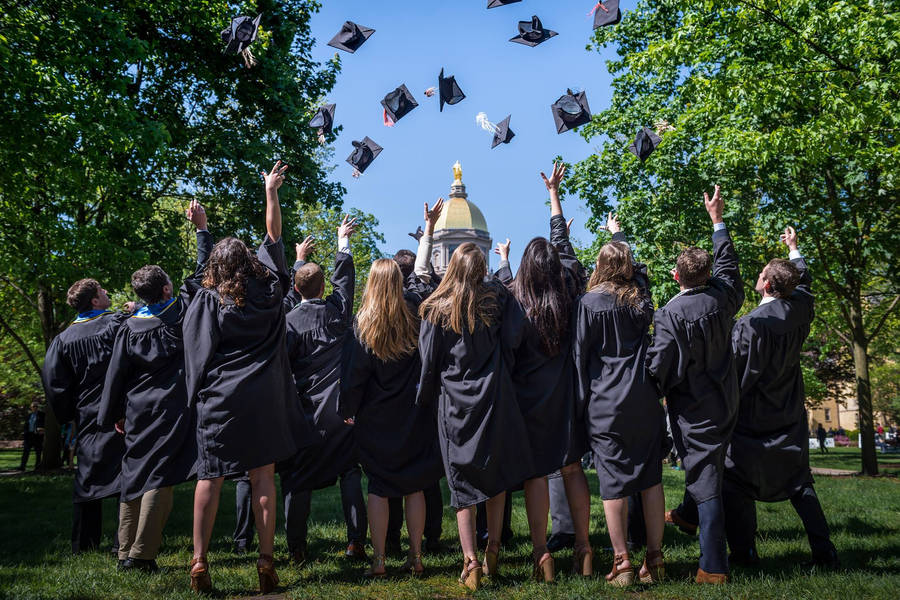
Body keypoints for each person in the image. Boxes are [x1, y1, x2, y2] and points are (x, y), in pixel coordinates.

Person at [183, 161, 314, 594]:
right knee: (262, 479)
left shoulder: (208, 299)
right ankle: (265, 561)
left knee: (210, 477)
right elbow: (274, 236)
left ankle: (200, 561)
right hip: (265, 397)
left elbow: (197, 350)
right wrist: (269, 190)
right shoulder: (273, 289)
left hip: (220, 398)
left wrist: (194, 395)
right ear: (250, 263)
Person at [491, 162, 594, 582]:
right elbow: (564, 247)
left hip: (529, 398)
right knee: (572, 469)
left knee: (536, 474)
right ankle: (586, 551)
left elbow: (509, 351)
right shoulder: (570, 286)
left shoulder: (515, 301)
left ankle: (542, 557)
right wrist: (554, 195)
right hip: (566, 394)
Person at [97, 200, 212, 572]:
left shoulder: (129, 328)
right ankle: (141, 555)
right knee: (158, 477)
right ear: (165, 289)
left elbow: (115, 374)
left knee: (133, 474)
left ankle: (123, 550)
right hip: (171, 408)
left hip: (136, 410)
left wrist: (115, 413)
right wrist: (201, 229)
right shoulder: (178, 315)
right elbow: (202, 273)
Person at [417, 243, 534, 591]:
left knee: (462, 482)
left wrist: (424, 398)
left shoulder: (438, 306)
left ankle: (470, 561)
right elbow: (515, 336)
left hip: (455, 401)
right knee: (494, 475)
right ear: (482, 266)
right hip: (495, 393)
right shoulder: (497, 297)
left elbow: (428, 361)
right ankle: (493, 549)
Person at [339, 200, 446, 577]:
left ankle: (380, 560)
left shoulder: (362, 325)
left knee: (380, 488)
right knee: (416, 486)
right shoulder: (415, 310)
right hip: (414, 412)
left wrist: (347, 410)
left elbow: (353, 376)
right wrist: (428, 229)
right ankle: (416, 558)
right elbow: (421, 275)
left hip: (377, 418)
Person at [724, 226, 839, 569]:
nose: (758, 278)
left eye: (761, 275)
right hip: (789, 408)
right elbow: (804, 285)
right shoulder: (800, 311)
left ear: (768, 285)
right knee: (800, 482)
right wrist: (794, 249)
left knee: (735, 482)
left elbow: (738, 373)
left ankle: (744, 555)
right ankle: (825, 552)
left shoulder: (749, 325)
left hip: (754, 415)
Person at [646, 185, 744, 584]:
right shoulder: (725, 297)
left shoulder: (669, 315)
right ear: (706, 274)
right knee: (714, 471)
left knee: (705, 481)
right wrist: (717, 221)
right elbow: (729, 266)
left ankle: (713, 567)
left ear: (676, 275)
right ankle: (696, 523)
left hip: (694, 408)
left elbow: (660, 364)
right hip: (727, 399)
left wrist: (648, 387)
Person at [574, 210, 666, 586]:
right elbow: (639, 273)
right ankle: (656, 560)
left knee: (612, 483)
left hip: (605, 400)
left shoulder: (589, 303)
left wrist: (579, 405)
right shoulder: (639, 301)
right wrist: (621, 236)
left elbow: (579, 356)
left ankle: (623, 562)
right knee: (651, 479)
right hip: (643, 396)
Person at [278, 213, 368, 564]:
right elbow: (344, 282)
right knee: (349, 472)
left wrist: (298, 259)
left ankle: (296, 548)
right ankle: (355, 542)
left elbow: (287, 296)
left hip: (303, 413)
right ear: (322, 288)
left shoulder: (286, 322)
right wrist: (342, 241)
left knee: (297, 479)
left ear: (297, 289)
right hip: (339, 411)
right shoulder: (337, 313)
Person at [43, 277, 130, 554]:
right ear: (94, 300)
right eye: (103, 291)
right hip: (119, 410)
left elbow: (55, 384)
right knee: (124, 475)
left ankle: (83, 544)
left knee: (87, 476)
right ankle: (123, 542)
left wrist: (69, 413)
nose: (106, 293)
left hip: (87, 413)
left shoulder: (63, 339)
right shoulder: (116, 324)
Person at [19, 402, 45, 471]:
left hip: (37, 436)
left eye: (36, 406)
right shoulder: (28, 416)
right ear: (31, 407)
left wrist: (42, 429)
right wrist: (24, 433)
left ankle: (37, 467)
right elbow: (25, 426)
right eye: (33, 406)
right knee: (26, 452)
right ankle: (22, 466)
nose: (35, 408)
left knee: (38, 452)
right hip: (29, 436)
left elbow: (45, 424)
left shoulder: (42, 415)